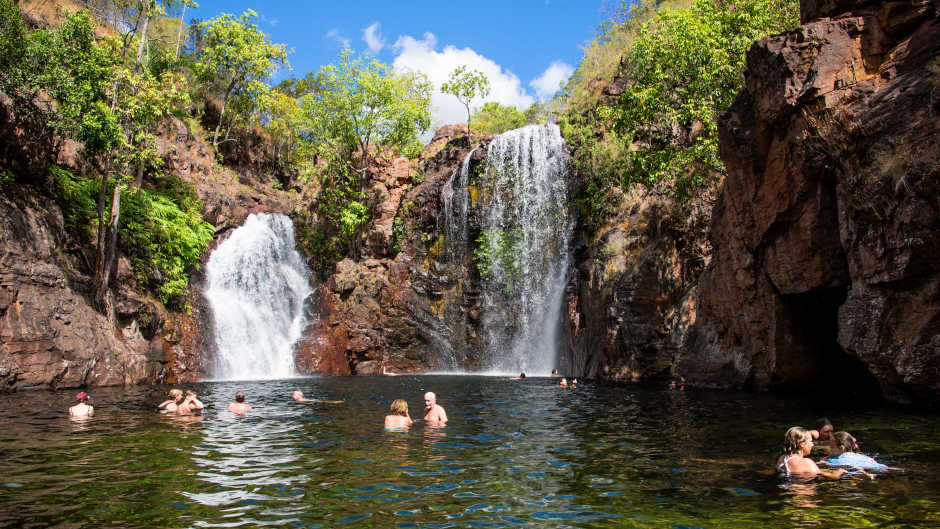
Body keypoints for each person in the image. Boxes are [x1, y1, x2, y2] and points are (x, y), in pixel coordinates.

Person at [776, 426, 844, 480]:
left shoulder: (782, 459)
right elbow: (833, 477)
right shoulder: (807, 462)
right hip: (804, 494)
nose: (812, 444)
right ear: (802, 444)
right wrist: (839, 472)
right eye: (811, 441)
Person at [825, 431, 890, 471]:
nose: (830, 449)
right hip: (881, 466)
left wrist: (825, 460)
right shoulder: (859, 455)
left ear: (842, 448)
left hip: (867, 469)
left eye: (832, 447)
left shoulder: (835, 460)